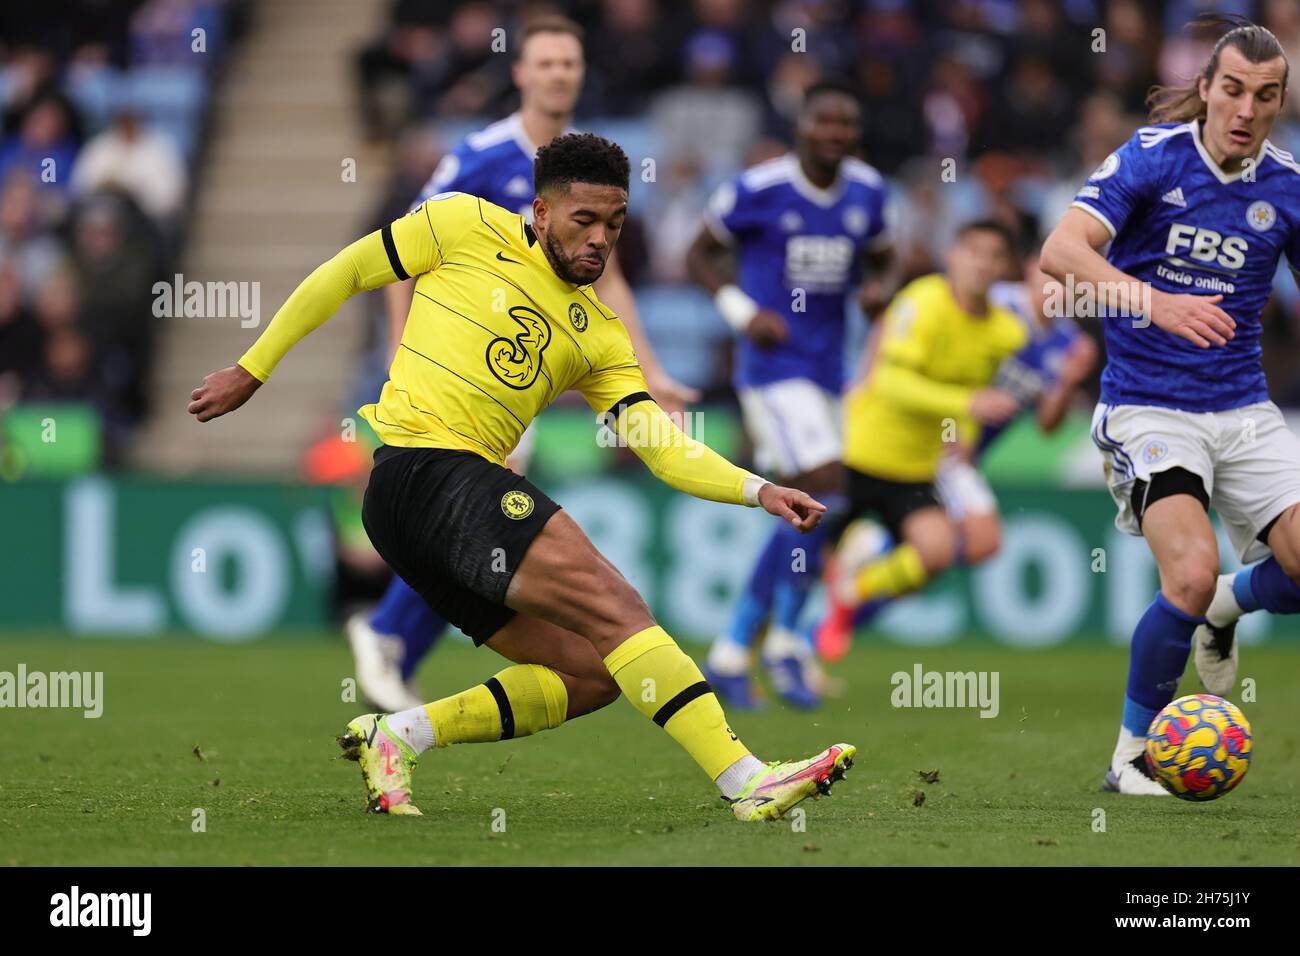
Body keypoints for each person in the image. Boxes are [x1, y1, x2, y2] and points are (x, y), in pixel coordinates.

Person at [187, 132, 855, 822]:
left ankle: (398, 736)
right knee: (617, 606)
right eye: (584, 221)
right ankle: (745, 778)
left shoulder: (600, 334)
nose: (601, 239)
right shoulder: (460, 223)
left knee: (592, 672)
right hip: (422, 469)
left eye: (615, 225)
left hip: (422, 512)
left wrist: (759, 489)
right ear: (540, 211)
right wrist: (253, 367)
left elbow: (661, 447)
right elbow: (345, 273)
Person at [347, 15, 699, 712]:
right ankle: (387, 630)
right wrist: (400, 357)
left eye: (569, 63)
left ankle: (392, 636)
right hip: (464, 370)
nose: (559, 74)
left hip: (526, 371)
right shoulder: (479, 157)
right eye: (546, 64)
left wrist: (649, 370)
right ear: (521, 73)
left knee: (480, 522)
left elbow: (612, 281)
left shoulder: (585, 169)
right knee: (479, 511)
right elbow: (400, 259)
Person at [1039, 19, 1300, 795]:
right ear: (1208, 88)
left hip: (1245, 409)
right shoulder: (1153, 157)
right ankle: (1129, 757)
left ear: (1280, 100)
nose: (1246, 110)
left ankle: (1228, 604)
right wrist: (1157, 302)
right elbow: (1062, 254)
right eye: (1232, 90)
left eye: (1266, 95)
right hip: (1149, 407)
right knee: (1186, 572)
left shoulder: (1287, 184)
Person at [685, 79, 892, 709]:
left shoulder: (868, 191)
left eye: (845, 125)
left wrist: (879, 290)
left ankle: (734, 650)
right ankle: (781, 648)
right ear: (802, 127)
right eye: (823, 123)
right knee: (827, 486)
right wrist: (743, 312)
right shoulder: (760, 189)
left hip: (832, 370)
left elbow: (886, 258)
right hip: (772, 369)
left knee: (812, 505)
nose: (834, 134)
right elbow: (699, 255)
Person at [815, 250, 1098, 660]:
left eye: (1074, 282)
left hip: (966, 449)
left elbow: (1048, 425)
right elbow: (895, 320)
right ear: (1028, 273)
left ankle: (856, 588)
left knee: (973, 547)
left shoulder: (1069, 345)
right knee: (955, 545)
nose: (1062, 288)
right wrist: (866, 378)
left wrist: (1070, 382)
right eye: (1054, 276)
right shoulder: (995, 304)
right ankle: (857, 582)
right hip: (934, 436)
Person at [813, 221, 1027, 652]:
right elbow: (891, 384)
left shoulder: (1006, 332)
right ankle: (755, 649)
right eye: (973, 252)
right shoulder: (922, 302)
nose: (982, 264)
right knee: (799, 562)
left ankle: (853, 589)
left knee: (936, 552)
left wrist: (964, 433)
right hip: (857, 452)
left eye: (994, 256)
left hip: (914, 467)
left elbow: (974, 388)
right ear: (952, 255)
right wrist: (967, 407)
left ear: (1005, 267)